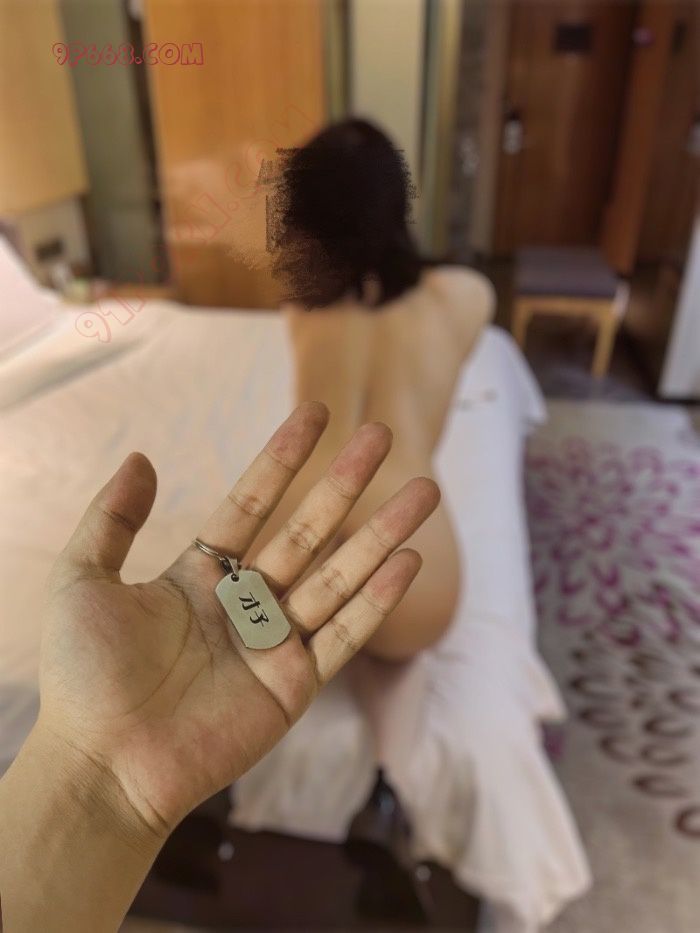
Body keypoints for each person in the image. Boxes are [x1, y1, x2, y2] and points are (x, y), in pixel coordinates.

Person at [0, 402, 439, 931]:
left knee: (322, 575)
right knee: (389, 637)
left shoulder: (311, 343)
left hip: (321, 480)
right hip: (407, 475)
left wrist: (91, 765)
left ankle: (241, 800)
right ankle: (385, 788)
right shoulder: (447, 344)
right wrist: (99, 770)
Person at [249, 118, 495, 661]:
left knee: (266, 642)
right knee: (397, 653)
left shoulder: (300, 308)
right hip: (406, 542)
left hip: (293, 537)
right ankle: (389, 689)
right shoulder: (467, 297)